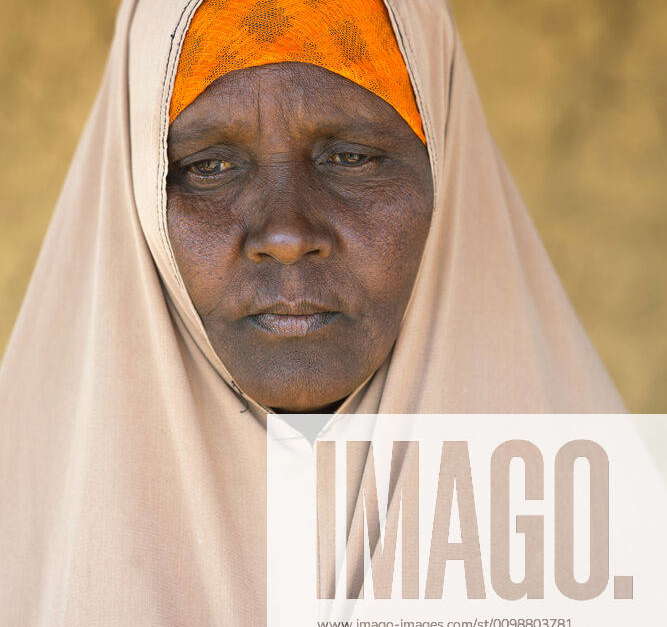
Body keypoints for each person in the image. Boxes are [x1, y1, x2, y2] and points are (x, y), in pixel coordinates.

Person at [0, 0, 625, 624]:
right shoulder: (18, 538)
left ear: (447, 172)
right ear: (135, 192)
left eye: (351, 156)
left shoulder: (610, 542)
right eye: (209, 167)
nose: (287, 234)